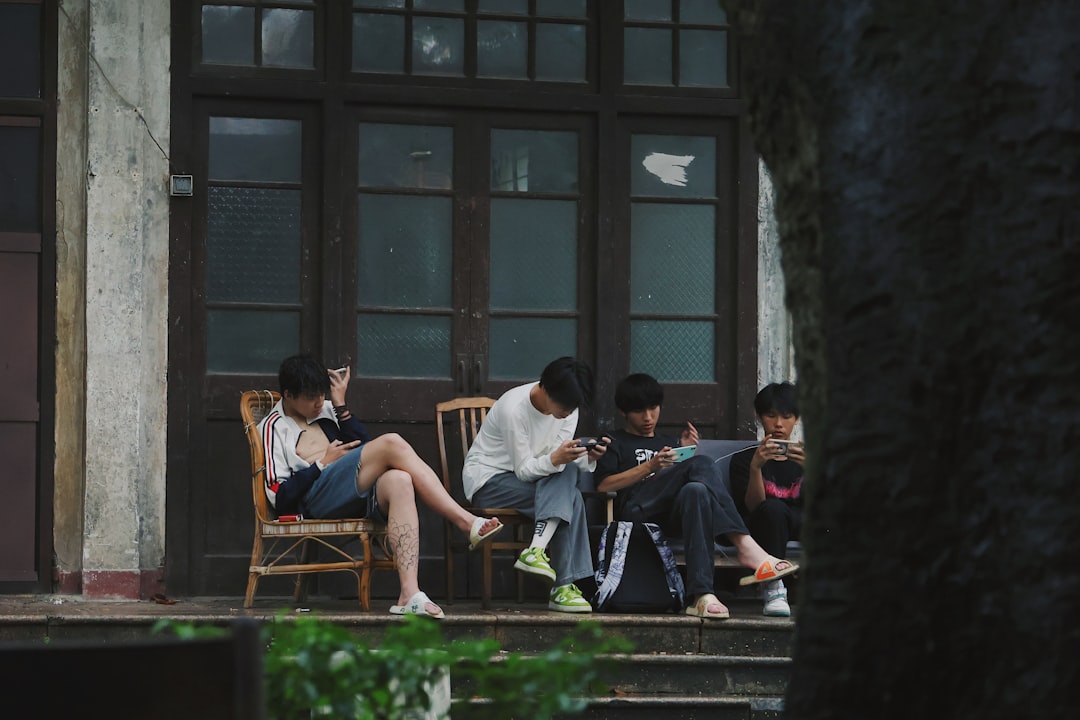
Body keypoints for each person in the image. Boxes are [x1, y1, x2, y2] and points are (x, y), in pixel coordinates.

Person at [258, 354, 503, 618]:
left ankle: (409, 593)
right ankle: (466, 522)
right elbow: (279, 497)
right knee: (392, 443)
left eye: (322, 394)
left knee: (400, 480)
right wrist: (321, 464)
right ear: (288, 394)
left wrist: (340, 404)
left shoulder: (328, 410)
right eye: (310, 397)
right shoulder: (273, 427)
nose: (319, 402)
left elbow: (364, 448)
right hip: (315, 501)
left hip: (352, 494)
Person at [594, 373, 798, 619]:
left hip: (672, 517)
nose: (648, 417)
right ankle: (745, 545)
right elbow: (604, 486)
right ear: (623, 412)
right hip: (635, 513)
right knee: (700, 463)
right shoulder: (614, 442)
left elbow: (688, 485)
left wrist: (684, 455)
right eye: (639, 411)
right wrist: (651, 466)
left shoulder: (669, 442)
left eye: (653, 408)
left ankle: (701, 595)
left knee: (696, 490)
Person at [461, 356, 603, 613]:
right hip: (490, 482)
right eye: (565, 404)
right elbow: (526, 469)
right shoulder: (513, 408)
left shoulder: (568, 410)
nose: (569, 412)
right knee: (570, 496)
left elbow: (555, 459)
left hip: (536, 482)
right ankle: (563, 585)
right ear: (545, 388)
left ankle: (536, 553)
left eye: (574, 406)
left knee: (568, 484)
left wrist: (587, 458)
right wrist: (557, 459)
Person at [729, 381, 804, 617]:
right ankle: (774, 587)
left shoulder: (809, 456)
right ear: (760, 418)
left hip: (801, 523)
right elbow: (754, 507)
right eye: (771, 416)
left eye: (786, 416)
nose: (779, 424)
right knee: (773, 509)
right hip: (766, 523)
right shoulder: (744, 459)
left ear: (797, 419)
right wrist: (756, 468)